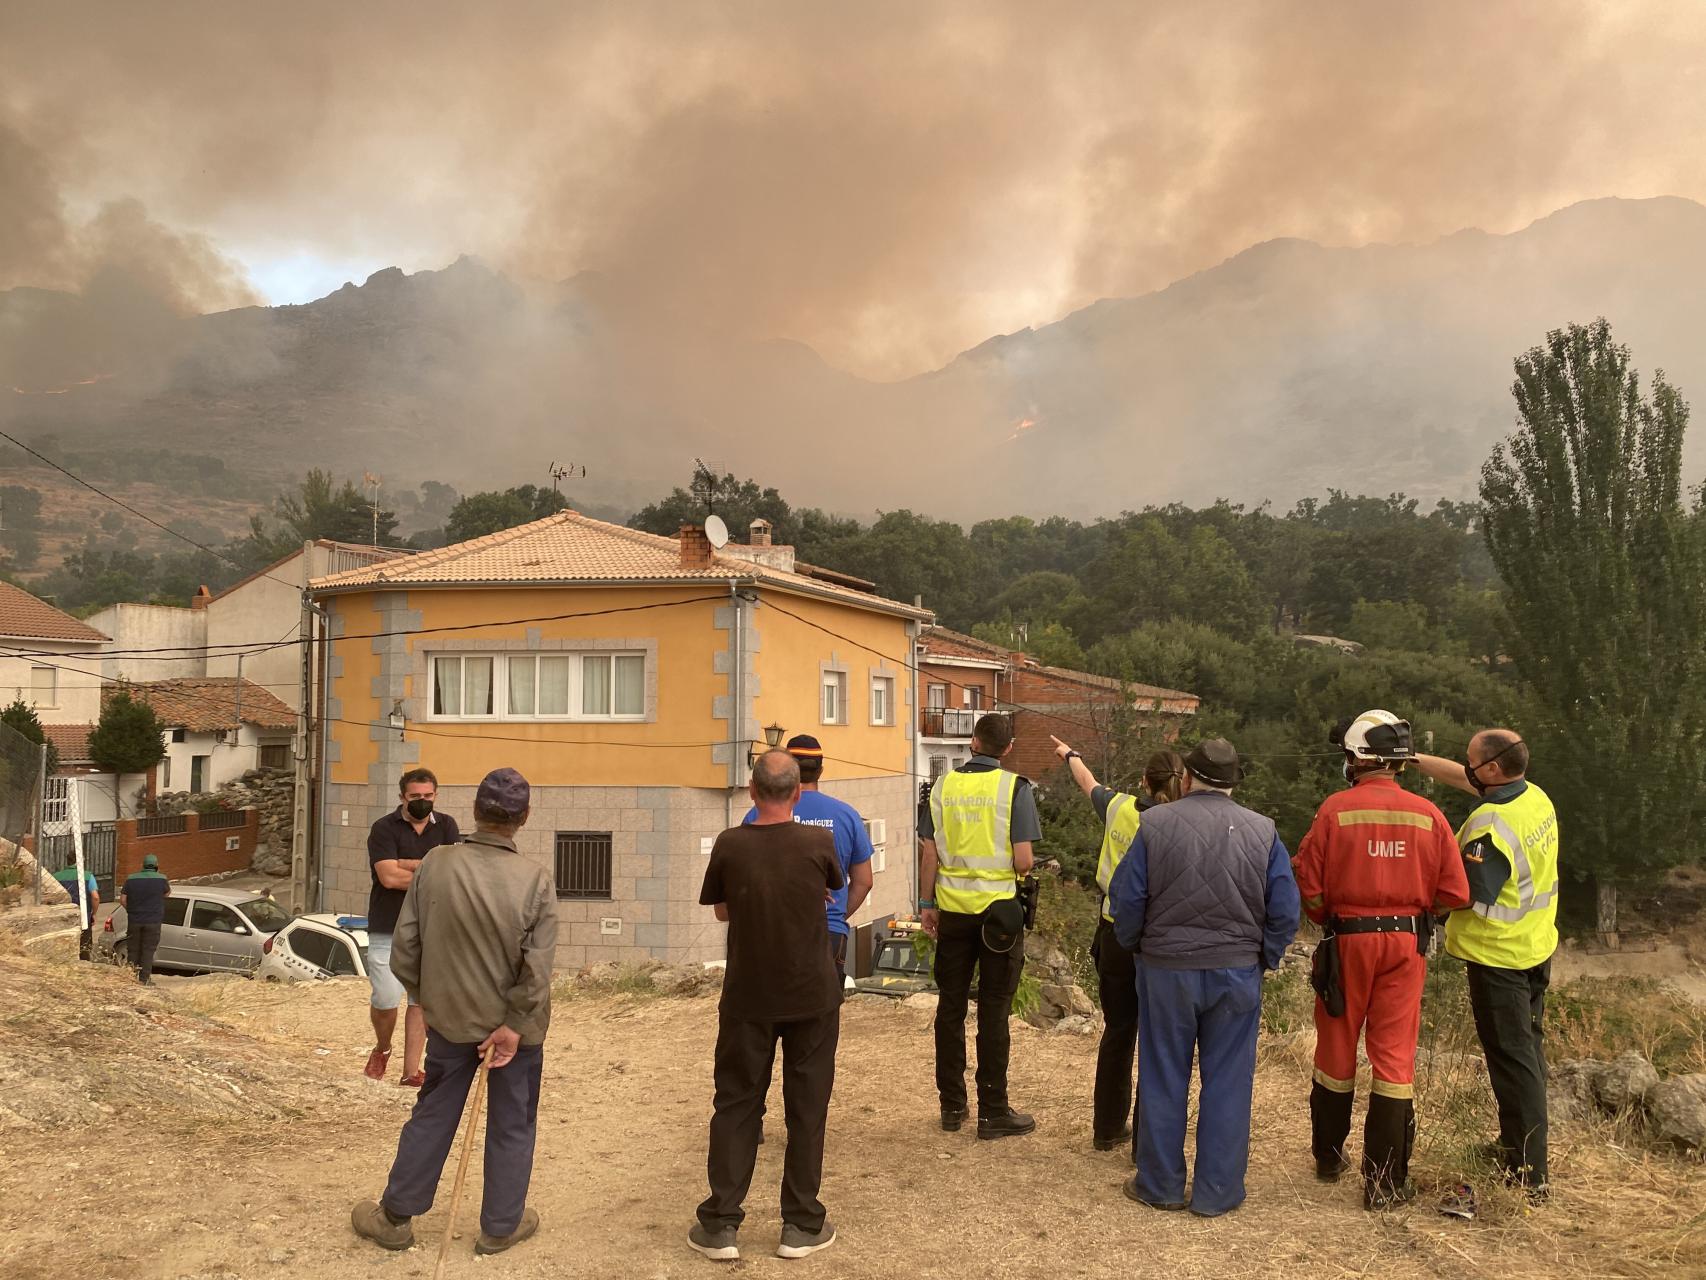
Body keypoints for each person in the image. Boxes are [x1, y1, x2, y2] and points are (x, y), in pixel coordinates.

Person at [352, 766, 557, 1257]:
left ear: (473, 811)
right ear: (523, 818)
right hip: (517, 1035)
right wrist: (511, 1026)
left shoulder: (437, 864)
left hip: (449, 1024)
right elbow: (538, 970)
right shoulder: (535, 880)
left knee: (434, 1113)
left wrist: (437, 1002)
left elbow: (404, 948)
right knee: (512, 1121)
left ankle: (396, 1216)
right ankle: (501, 1227)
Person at [1107, 738, 1299, 1217]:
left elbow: (1126, 900)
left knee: (1163, 1074)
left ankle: (1160, 1185)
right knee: (1229, 1081)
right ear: (1234, 783)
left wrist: (1138, 947)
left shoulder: (1153, 824)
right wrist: (1265, 956)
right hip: (1236, 972)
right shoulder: (1263, 831)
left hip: (1166, 970)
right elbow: (1285, 908)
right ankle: (1218, 1192)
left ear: (1188, 778)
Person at [1292, 710, 1470, 1209]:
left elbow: (1309, 883)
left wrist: (1329, 916)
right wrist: (1414, 912)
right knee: (1394, 1058)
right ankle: (1386, 1183)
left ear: (1356, 759)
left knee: (1335, 1048)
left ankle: (1328, 1158)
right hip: (1406, 944)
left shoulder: (1335, 810)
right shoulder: (1429, 815)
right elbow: (1455, 892)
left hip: (1348, 940)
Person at [692, 750, 844, 1262]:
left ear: (752, 793)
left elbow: (721, 911)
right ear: (798, 793)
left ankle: (720, 1225)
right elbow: (830, 891)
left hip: (747, 995)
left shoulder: (730, 844)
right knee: (807, 1107)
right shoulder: (819, 841)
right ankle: (800, 1225)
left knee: (736, 1104)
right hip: (811, 995)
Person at [1414, 729, 1559, 1194]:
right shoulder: (1533, 797)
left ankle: (1528, 1174)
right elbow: (1465, 779)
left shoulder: (1489, 826)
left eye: (1473, 761)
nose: (1467, 767)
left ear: (1492, 769)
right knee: (1527, 1054)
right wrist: (1409, 757)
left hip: (1499, 960)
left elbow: (1467, 894)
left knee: (1513, 1063)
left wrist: (1416, 899)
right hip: (1534, 949)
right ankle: (1515, 1146)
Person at [1049, 734, 1185, 1156]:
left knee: (1118, 1033)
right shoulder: (1179, 822)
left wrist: (1070, 753)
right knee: (1159, 1043)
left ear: (1143, 781)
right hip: (1159, 941)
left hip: (1113, 934)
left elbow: (1086, 781)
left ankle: (1107, 1129)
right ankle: (1148, 1139)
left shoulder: (1119, 808)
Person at [918, 712, 1040, 1140]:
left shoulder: (941, 787)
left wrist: (926, 903)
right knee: (993, 1010)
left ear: (972, 741)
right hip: (998, 919)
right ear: (1007, 749)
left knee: (949, 1008)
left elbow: (929, 854)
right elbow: (1023, 861)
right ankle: (992, 1110)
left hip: (951, 913)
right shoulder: (1014, 788)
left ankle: (952, 1106)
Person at [742, 734, 874, 989]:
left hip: (772, 932)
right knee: (819, 1019)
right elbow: (864, 881)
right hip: (828, 932)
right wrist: (836, 915)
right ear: (821, 770)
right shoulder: (847, 815)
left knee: (770, 1013)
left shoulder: (757, 814)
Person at [364, 767, 460, 1086]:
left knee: (419, 1001)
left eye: (428, 796)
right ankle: (382, 1047)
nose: (422, 801)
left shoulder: (447, 826)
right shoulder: (383, 829)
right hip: (386, 925)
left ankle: (410, 1072)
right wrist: (428, 869)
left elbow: (451, 874)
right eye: (415, 796)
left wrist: (407, 863)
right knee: (386, 998)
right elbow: (388, 877)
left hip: (430, 926)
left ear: (436, 795)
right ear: (402, 797)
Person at [119, 852, 173, 985]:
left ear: (142, 865)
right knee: (148, 950)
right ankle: (144, 980)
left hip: (134, 920)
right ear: (156, 866)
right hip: (153, 921)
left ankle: (131, 977)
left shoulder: (131, 879)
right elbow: (167, 893)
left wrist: (131, 911)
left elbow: (123, 900)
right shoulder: (161, 879)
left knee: (133, 949)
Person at [51, 859, 99, 960]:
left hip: (63, 916)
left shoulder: (56, 876)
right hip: (83, 916)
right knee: (84, 947)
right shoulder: (87, 876)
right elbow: (95, 897)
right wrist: (93, 914)